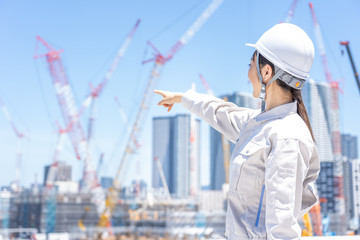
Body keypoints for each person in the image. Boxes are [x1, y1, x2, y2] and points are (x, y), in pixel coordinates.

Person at [154, 23, 320, 239]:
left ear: (266, 72)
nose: (248, 72)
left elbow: (282, 227)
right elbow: (220, 112)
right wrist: (182, 98)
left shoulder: (287, 136)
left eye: (250, 65)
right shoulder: (259, 123)